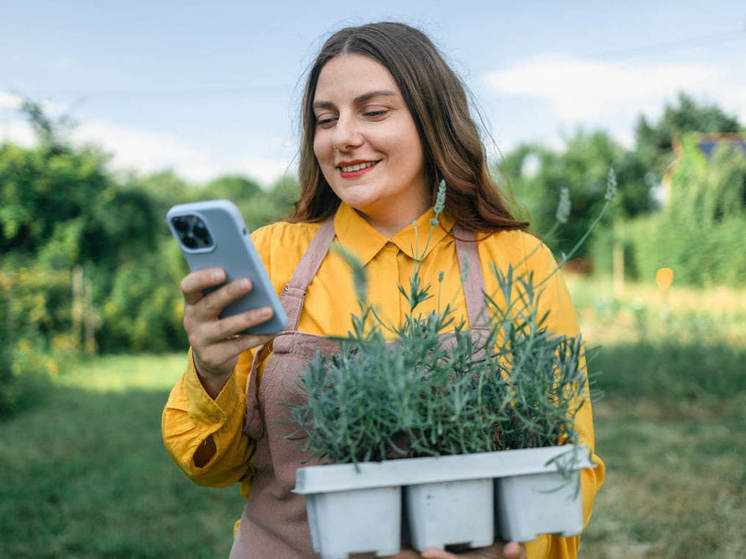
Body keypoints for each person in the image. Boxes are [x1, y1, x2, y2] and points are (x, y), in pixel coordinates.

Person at [162, 21, 604, 559]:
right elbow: (212, 466)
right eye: (326, 119)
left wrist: (507, 548)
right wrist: (209, 372)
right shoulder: (273, 256)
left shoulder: (519, 262)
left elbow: (566, 462)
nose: (343, 136)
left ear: (432, 119)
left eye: (373, 112)